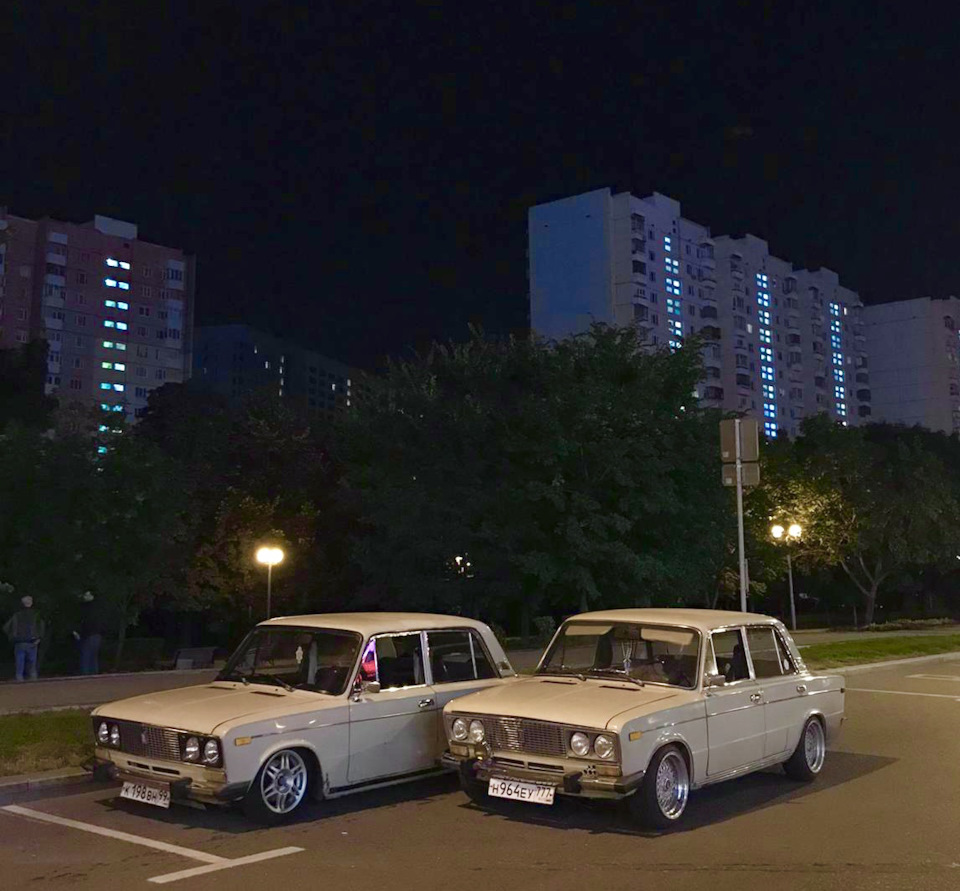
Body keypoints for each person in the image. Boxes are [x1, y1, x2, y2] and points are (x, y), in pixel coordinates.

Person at [4, 595, 45, 682]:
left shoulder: (17, 615)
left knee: (20, 661)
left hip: (19, 641)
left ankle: (19, 678)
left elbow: (6, 627)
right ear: (31, 603)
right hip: (32, 641)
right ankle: (33, 678)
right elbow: (41, 626)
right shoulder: (36, 615)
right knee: (32, 662)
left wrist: (12, 637)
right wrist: (39, 637)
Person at [72, 591, 103, 675]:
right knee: (93, 658)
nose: (85, 597)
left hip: (89, 635)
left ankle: (85, 677)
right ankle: (94, 676)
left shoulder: (87, 608)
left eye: (87, 595)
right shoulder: (99, 608)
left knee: (85, 657)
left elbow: (85, 622)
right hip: (96, 634)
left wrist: (79, 633)